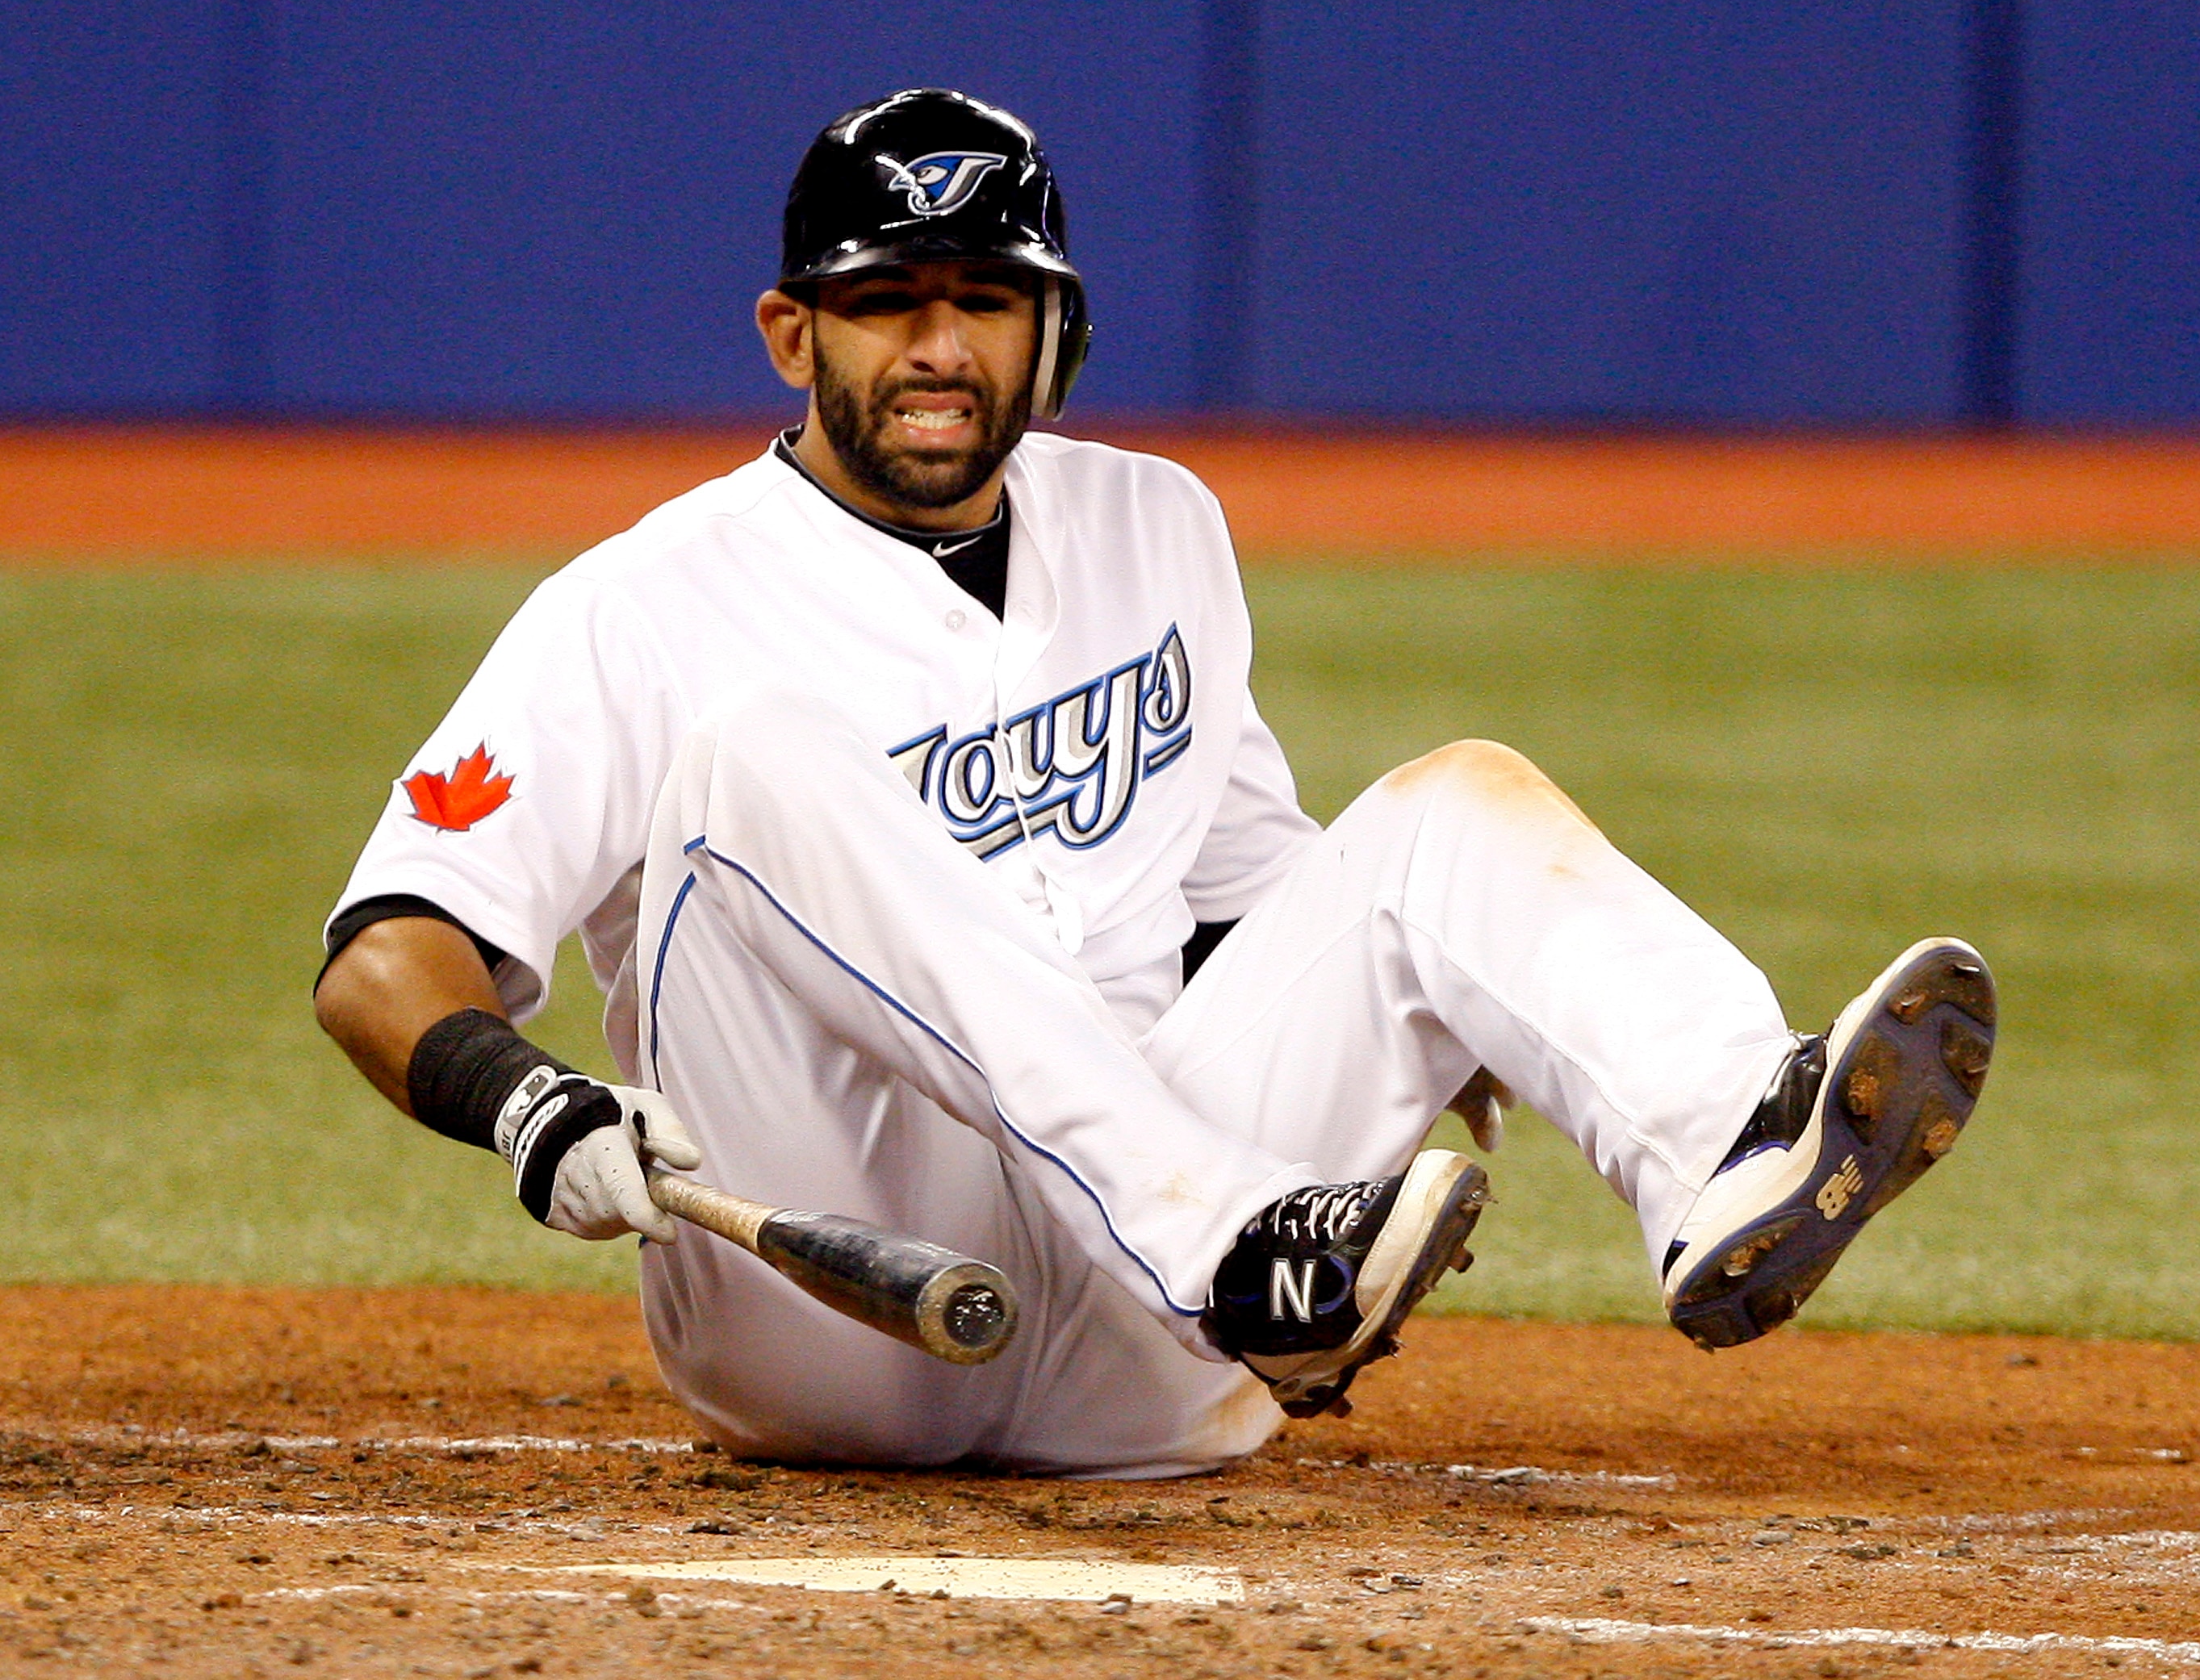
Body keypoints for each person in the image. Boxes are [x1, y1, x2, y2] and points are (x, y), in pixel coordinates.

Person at [313, 88, 1996, 1479]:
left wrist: (1414, 1023)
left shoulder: (1158, 530)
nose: (939, 344)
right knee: (751, 757)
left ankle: (1730, 1149)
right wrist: (522, 1103)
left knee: (1443, 815)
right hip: (841, 1314)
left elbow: (1253, 900)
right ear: (788, 333)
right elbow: (385, 950)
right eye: (889, 299)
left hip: (1158, 1350)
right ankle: (1230, 1235)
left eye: (985, 299)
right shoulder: (645, 602)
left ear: (1058, 331)